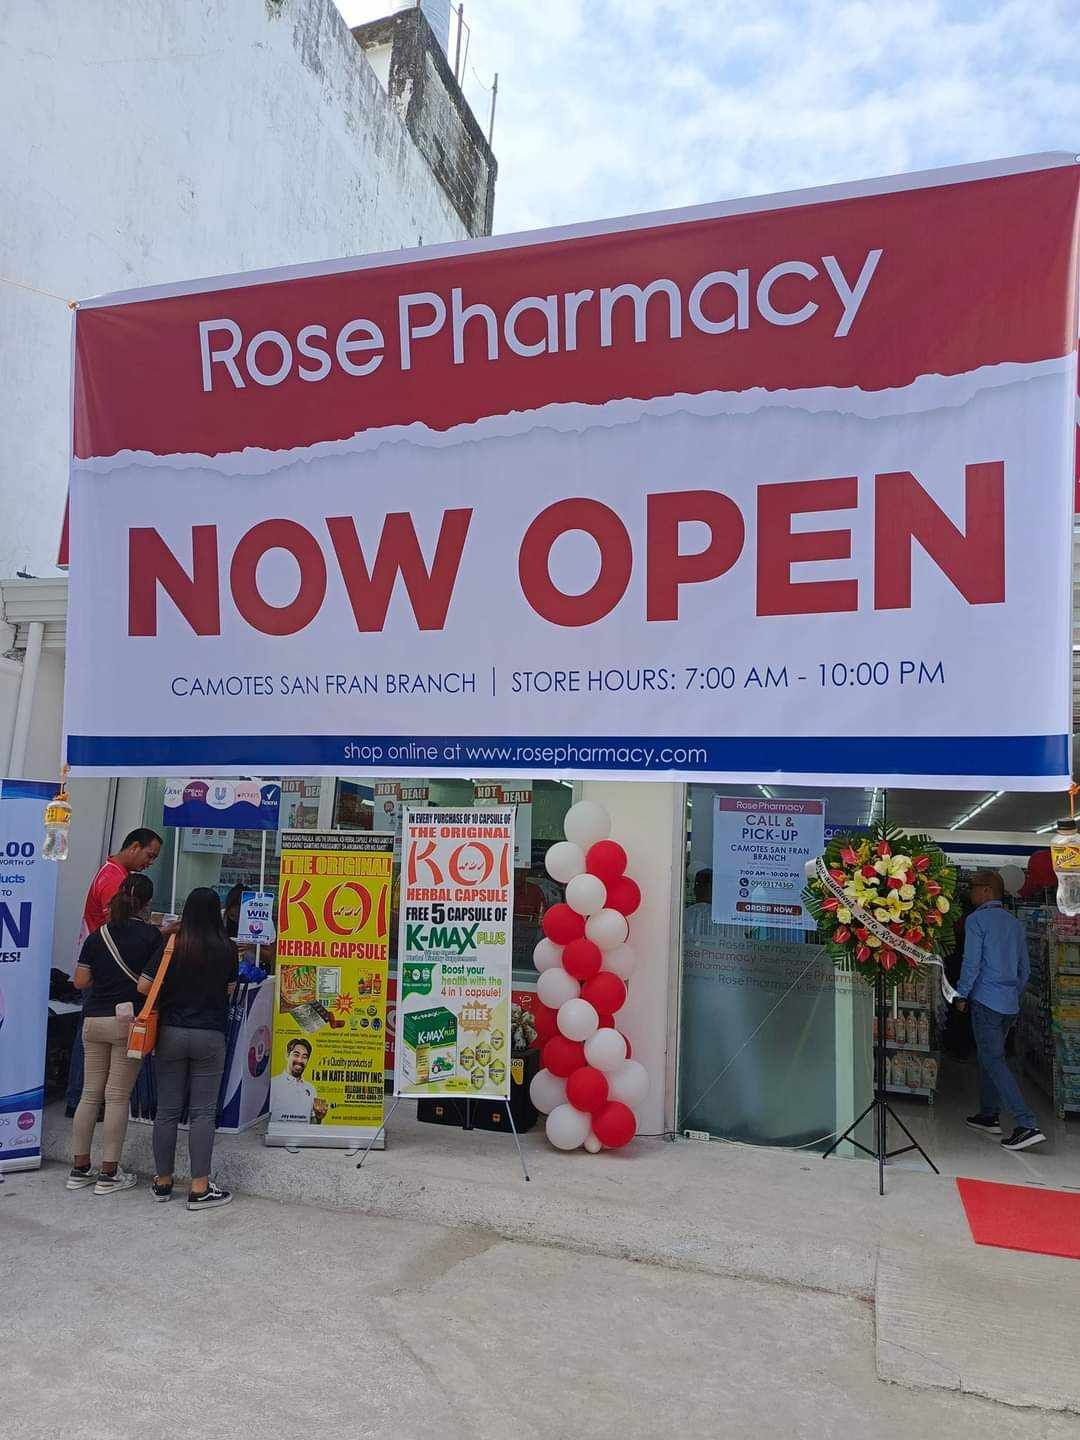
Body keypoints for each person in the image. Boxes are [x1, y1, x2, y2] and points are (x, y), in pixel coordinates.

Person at [139, 887, 238, 1210]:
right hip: (210, 1034)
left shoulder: (173, 946)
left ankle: (163, 1181)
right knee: (202, 1114)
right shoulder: (227, 948)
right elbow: (230, 988)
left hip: (171, 1032)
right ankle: (199, 1187)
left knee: (166, 1111)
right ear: (217, 912)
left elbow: (144, 985)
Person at [67, 873, 161, 1194]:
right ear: (147, 903)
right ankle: (109, 1174)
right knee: (118, 1095)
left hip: (93, 1022)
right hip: (127, 1023)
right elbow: (149, 984)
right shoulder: (151, 937)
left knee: (90, 1093)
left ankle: (79, 1168)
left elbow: (80, 981)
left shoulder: (98, 936)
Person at [64, 827, 164, 1115]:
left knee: (92, 1042)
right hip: (104, 973)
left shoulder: (115, 874)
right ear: (134, 847)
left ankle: (85, 1102)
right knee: (91, 1044)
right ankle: (81, 1101)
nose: (150, 862)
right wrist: (159, 932)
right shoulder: (113, 878)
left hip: (101, 972)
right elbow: (119, 927)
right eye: (150, 855)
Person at [956, 868, 1046, 1151]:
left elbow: (972, 963)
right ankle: (988, 1114)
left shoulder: (977, 920)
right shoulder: (1014, 922)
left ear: (986, 890)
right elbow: (1025, 969)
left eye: (973, 888)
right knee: (989, 1057)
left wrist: (962, 993)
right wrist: (1012, 993)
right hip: (1008, 1002)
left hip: (986, 999)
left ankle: (1025, 1122)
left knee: (993, 1059)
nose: (970, 894)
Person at [269, 1037, 328, 1125]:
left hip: (303, 1138)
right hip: (280, 1137)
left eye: (304, 1057)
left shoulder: (311, 1088)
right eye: (296, 1055)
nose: (300, 1060)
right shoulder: (272, 1085)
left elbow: (313, 1125)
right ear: (287, 1055)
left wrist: (318, 1118)